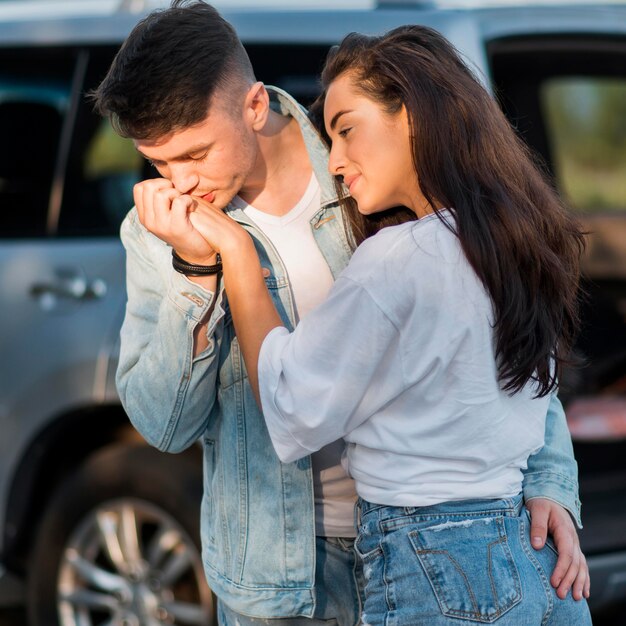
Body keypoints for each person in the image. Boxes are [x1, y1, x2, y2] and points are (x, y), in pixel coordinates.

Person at [91, 2, 589, 624]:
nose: (179, 183)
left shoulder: (364, 162)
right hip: (276, 586)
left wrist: (550, 481)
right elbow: (165, 427)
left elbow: (502, 328)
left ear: (252, 106)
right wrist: (196, 273)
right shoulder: (154, 231)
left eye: (195, 154)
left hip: (428, 549)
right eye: (159, 162)